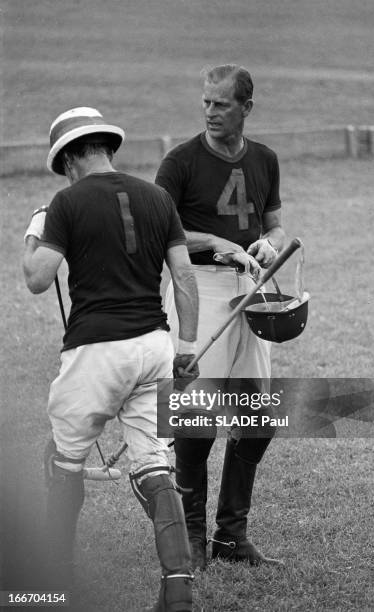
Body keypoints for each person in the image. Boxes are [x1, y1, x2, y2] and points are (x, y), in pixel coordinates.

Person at [23, 107, 200, 612]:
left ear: (73, 156)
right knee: (154, 464)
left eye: (65, 167)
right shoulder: (158, 197)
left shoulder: (65, 201)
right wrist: (186, 349)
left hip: (96, 351)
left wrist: (35, 230)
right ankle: (179, 589)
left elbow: (37, 277)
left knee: (62, 460)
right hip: (154, 347)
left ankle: (52, 584)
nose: (67, 175)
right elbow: (183, 279)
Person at [155, 64, 285, 570]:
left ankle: (232, 535)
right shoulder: (181, 161)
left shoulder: (266, 160)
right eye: (206, 102)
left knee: (257, 416)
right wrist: (214, 243)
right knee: (195, 417)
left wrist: (266, 245)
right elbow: (160, 230)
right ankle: (190, 534)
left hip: (249, 290)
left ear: (246, 108)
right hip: (198, 289)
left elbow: (274, 227)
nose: (209, 111)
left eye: (221, 104)